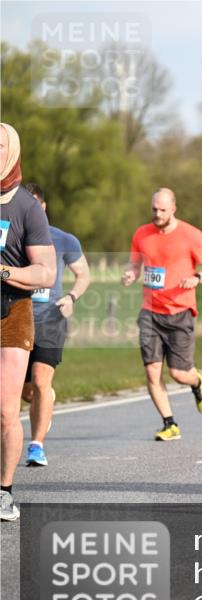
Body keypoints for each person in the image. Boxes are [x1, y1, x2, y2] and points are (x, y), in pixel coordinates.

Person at [121, 188, 202, 440]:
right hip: (150, 312)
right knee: (152, 371)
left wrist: (197, 277)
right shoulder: (142, 234)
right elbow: (135, 263)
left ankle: (196, 382)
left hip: (180, 311)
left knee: (178, 373)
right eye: (154, 209)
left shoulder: (191, 234)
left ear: (173, 208)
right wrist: (131, 273)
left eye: (162, 210)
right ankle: (169, 423)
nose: (157, 214)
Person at [0, 123, 56, 522]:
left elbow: (46, 273)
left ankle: (4, 491)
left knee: (5, 411)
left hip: (12, 315)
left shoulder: (26, 207)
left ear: (11, 152)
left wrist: (4, 272)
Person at [20, 183, 91, 467]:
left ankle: (36, 446)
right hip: (17, 319)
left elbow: (83, 275)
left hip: (51, 320)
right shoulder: (13, 238)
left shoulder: (63, 240)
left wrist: (71, 297)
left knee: (40, 380)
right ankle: (44, 401)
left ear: (44, 207)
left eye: (35, 205)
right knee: (24, 391)